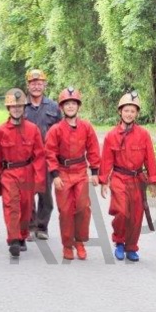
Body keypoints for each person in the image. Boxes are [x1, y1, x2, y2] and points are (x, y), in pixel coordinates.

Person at [99, 91, 156, 262]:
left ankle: (131, 246)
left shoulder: (143, 134)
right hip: (119, 178)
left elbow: (150, 158)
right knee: (122, 211)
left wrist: (152, 181)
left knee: (136, 215)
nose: (129, 114)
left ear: (137, 113)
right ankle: (119, 241)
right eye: (126, 110)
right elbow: (106, 160)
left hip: (137, 179)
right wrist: (104, 181)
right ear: (120, 111)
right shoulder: (111, 135)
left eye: (133, 111)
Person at [0, 88, 45, 258]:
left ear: (24, 108)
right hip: (9, 173)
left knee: (26, 207)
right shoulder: (1, 131)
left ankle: (22, 235)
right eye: (13, 106)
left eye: (19, 106)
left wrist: (39, 179)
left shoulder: (33, 129)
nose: (16, 109)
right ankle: (13, 239)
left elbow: (39, 156)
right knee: (11, 206)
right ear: (8, 108)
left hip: (27, 172)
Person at [45, 87, 100, 261]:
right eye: (67, 104)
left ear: (78, 106)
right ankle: (67, 245)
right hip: (62, 172)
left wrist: (95, 171)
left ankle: (80, 241)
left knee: (83, 207)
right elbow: (50, 153)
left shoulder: (86, 127)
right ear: (62, 107)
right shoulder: (55, 129)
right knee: (65, 210)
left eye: (73, 103)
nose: (70, 106)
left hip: (80, 171)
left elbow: (93, 149)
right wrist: (55, 175)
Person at [24, 69, 62, 241]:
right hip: (27, 158)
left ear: (44, 85)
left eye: (39, 83)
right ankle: (30, 225)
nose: (36, 87)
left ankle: (42, 226)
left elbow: (61, 132)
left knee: (45, 193)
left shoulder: (54, 107)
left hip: (46, 158)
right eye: (33, 84)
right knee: (27, 193)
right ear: (28, 86)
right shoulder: (21, 106)